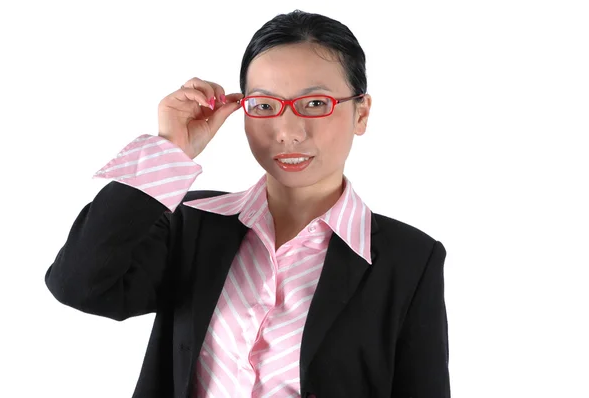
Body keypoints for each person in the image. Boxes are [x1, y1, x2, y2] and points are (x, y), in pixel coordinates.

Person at [45, 9, 450, 398]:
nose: (288, 132)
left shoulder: (410, 259)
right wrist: (170, 149)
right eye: (265, 106)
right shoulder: (192, 223)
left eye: (315, 103)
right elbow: (79, 285)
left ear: (361, 113)